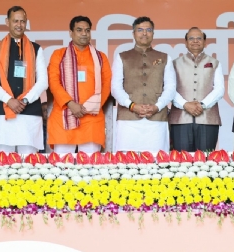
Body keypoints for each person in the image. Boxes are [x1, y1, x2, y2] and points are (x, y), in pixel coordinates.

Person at [0, 6, 48, 154]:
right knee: (3, 162)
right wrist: (9, 100)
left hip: (29, 113)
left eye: (23, 21)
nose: (19, 25)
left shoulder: (36, 49)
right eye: (15, 21)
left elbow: (43, 81)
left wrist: (25, 100)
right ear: (7, 22)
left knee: (29, 163)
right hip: (2, 114)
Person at [47, 16, 112, 154]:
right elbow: (53, 82)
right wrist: (70, 104)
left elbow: (107, 84)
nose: (84, 33)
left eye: (87, 30)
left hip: (91, 118)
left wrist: (91, 106)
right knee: (62, 167)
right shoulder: (58, 55)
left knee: (90, 167)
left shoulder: (101, 57)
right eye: (79, 30)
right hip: (64, 116)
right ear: (71, 32)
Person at [111, 16, 176, 152]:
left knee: (157, 163)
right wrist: (132, 105)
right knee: (126, 163)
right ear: (133, 33)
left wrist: (157, 107)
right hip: (127, 119)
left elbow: (170, 88)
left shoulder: (165, 57)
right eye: (140, 30)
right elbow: (116, 88)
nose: (144, 33)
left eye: (148, 30)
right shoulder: (122, 57)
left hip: (157, 118)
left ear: (153, 33)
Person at [170, 27, 224, 152]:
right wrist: (185, 104)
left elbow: (219, 89)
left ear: (205, 42)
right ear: (186, 42)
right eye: (191, 38)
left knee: (206, 160)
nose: (195, 41)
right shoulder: (174, 63)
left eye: (199, 38)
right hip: (180, 119)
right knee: (182, 161)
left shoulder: (215, 63)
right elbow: (169, 89)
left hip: (208, 119)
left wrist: (202, 105)